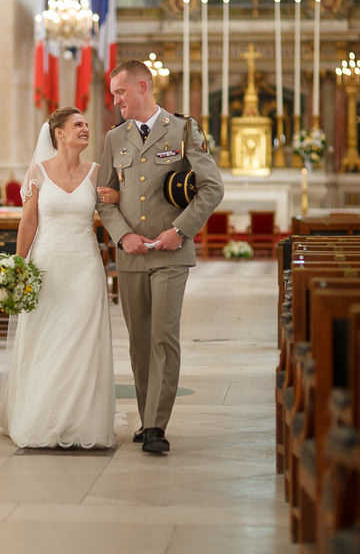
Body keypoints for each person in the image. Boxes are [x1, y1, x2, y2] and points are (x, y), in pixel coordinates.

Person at [96, 60, 224, 454]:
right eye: (114, 93)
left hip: (172, 253)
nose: (115, 99)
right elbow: (104, 200)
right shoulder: (114, 139)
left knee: (163, 338)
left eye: (120, 92)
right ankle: (146, 414)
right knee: (138, 342)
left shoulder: (184, 129)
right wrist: (123, 236)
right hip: (132, 255)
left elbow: (211, 188)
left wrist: (180, 230)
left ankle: (155, 426)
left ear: (143, 87)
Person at [0, 107, 118, 448]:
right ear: (59, 133)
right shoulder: (38, 172)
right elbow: (29, 222)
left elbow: (111, 210)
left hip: (85, 267)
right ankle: (42, 414)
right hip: (47, 264)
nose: (85, 129)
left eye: (86, 125)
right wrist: (18, 267)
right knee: (48, 339)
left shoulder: (96, 173)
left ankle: (79, 421)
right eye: (77, 125)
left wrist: (117, 197)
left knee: (80, 341)